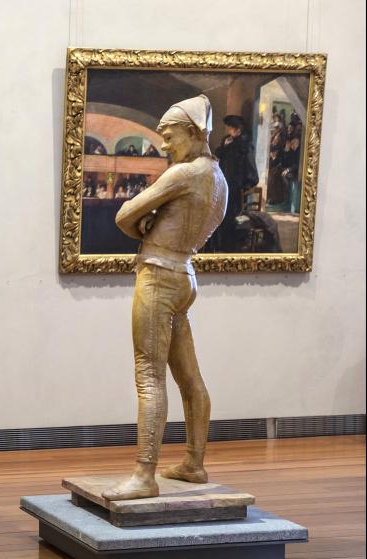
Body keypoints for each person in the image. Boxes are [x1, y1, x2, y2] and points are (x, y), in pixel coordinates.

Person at [106, 95, 227, 501]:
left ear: (193, 133)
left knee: (148, 374)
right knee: (188, 376)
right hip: (185, 275)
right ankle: (194, 462)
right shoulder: (219, 179)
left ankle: (144, 475)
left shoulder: (184, 174)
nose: (163, 144)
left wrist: (142, 226)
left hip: (158, 275)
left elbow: (124, 215)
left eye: (169, 136)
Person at [213, 115, 259, 251]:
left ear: (237, 129)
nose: (227, 130)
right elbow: (218, 154)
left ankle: (228, 248)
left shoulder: (244, 146)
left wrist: (243, 186)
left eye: (229, 127)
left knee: (229, 218)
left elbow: (251, 172)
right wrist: (225, 146)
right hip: (224, 185)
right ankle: (219, 247)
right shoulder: (228, 141)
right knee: (219, 215)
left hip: (235, 189)